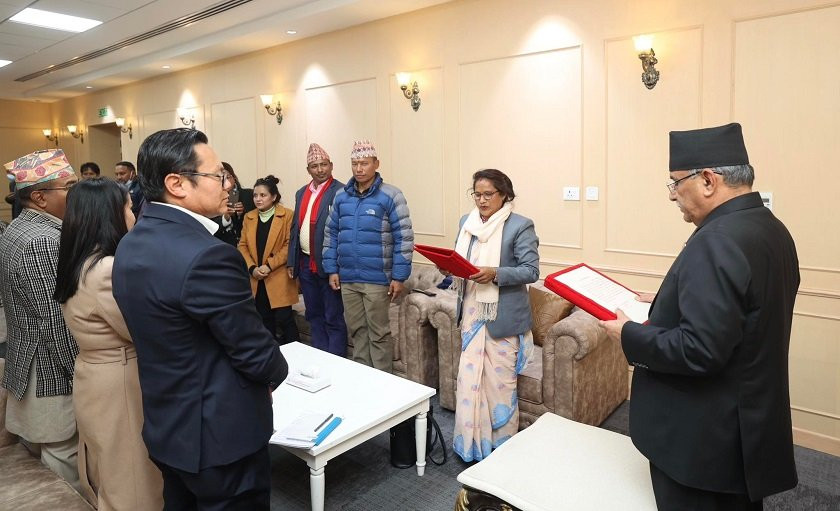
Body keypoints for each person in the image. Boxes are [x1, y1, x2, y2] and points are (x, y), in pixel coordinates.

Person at [600, 123, 800, 510]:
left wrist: (627, 334)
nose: (672, 194)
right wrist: (670, 300)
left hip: (705, 438)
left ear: (708, 180)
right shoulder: (770, 228)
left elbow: (698, 350)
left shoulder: (717, 239)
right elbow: (746, 308)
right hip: (746, 424)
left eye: (676, 183)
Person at [111, 128, 288, 510]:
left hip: (168, 427)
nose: (229, 185)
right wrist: (276, 372)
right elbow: (254, 351)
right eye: (218, 175)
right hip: (220, 437)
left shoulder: (131, 243)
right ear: (176, 184)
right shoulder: (208, 255)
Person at [54, 178, 163, 510]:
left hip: (93, 373)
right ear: (109, 215)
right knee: (133, 479)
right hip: (120, 380)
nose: (134, 214)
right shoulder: (106, 269)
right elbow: (142, 330)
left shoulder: (78, 261)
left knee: (110, 469)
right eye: (129, 207)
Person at [0, 149, 80, 491]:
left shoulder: (20, 228)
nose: (77, 193)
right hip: (50, 375)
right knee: (64, 472)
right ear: (40, 198)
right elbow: (55, 322)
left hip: (31, 367)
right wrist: (82, 374)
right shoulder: (43, 241)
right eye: (70, 187)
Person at [446, 169, 539, 462]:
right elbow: (461, 260)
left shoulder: (520, 225)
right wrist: (448, 266)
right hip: (472, 311)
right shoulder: (467, 222)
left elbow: (531, 271)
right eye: (477, 194)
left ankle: (502, 450)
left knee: (500, 387)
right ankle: (472, 446)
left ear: (504, 195)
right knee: (469, 381)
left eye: (488, 194)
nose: (482, 200)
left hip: (502, 316)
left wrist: (495, 273)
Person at [322, 140, 414, 372]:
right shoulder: (341, 196)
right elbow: (330, 234)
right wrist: (331, 269)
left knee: (379, 333)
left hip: (377, 279)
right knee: (357, 331)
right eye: (355, 164)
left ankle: (383, 380)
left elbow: (404, 237)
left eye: (364, 163)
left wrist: (399, 277)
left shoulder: (391, 195)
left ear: (376, 164)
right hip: (348, 278)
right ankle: (362, 377)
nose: (359, 168)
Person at [287, 143, 347, 356]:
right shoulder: (301, 192)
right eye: (315, 166)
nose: (320, 170)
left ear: (331, 165)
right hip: (305, 263)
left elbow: (343, 231)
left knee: (333, 317)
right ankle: (320, 358)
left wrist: (336, 268)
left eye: (324, 165)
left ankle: (337, 361)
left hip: (329, 265)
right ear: (308, 170)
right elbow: (295, 228)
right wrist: (292, 261)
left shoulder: (341, 191)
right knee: (313, 315)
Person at [238, 175, 300, 344]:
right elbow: (242, 245)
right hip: (256, 277)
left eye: (263, 195)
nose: (258, 199)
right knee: (263, 320)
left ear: (274, 197)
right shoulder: (249, 217)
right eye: (255, 195)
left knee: (285, 319)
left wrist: (269, 266)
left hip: (277, 275)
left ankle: (296, 353)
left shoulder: (287, 215)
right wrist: (252, 268)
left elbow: (289, 245)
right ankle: (271, 354)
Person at [213, 161, 253, 246]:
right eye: (222, 178)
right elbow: (210, 228)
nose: (226, 182)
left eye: (228, 177)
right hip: (223, 246)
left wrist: (241, 214)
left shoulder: (249, 195)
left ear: (234, 178)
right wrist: (226, 218)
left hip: (247, 245)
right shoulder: (212, 198)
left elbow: (255, 223)